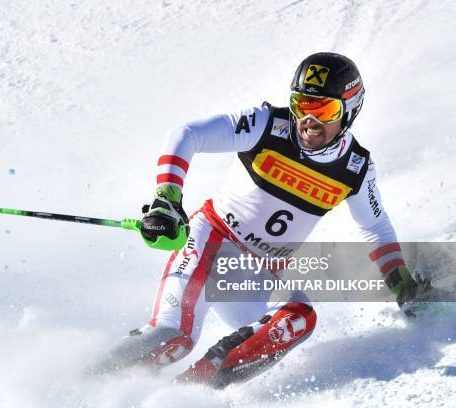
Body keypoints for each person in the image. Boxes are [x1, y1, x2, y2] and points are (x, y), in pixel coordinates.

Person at [94, 52, 429, 388]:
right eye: (301, 105)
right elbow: (186, 135)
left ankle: (190, 392)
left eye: (323, 110)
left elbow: (374, 227)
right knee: (172, 338)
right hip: (212, 241)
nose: (307, 120)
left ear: (350, 110)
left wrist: (399, 279)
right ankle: (83, 382)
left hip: (261, 271)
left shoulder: (356, 168)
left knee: (299, 319)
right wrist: (166, 198)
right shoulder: (267, 125)